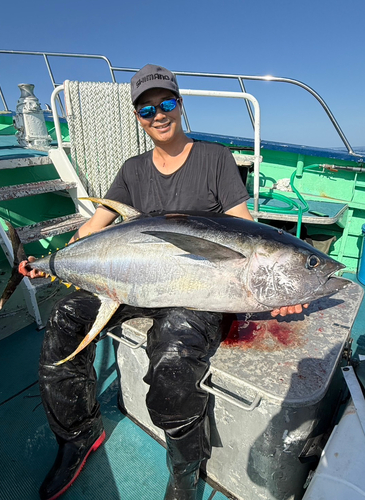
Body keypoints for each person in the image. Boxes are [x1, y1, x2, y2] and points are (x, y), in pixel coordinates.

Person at [22, 64, 308, 500]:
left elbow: (246, 233)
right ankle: (78, 435)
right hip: (129, 285)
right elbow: (92, 231)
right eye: (146, 108)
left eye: (166, 103)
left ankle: (184, 473)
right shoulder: (132, 170)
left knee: (173, 355)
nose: (158, 114)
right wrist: (48, 260)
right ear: (137, 116)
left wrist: (281, 284)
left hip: (194, 292)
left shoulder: (214, 159)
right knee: (63, 317)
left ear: (180, 104)